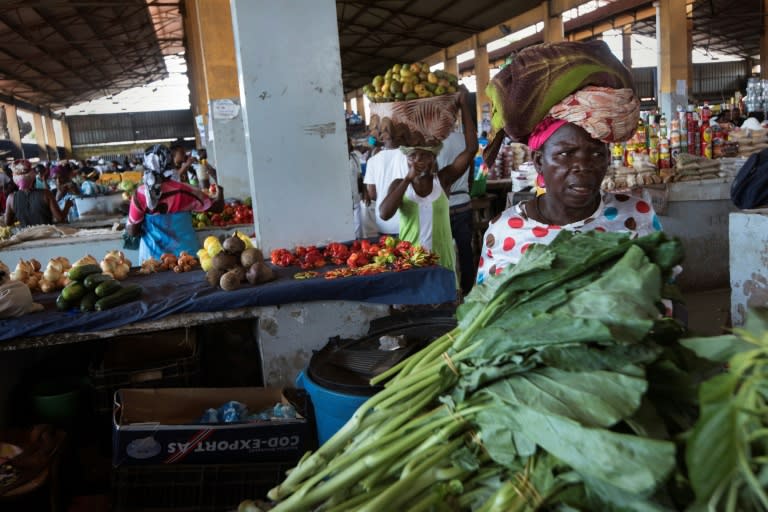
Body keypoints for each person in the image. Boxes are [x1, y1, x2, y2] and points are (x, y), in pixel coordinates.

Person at [477, 40, 662, 285]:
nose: (583, 166)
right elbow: (485, 312)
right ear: (539, 161)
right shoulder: (504, 231)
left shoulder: (637, 215)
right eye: (566, 154)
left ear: (608, 158)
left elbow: (670, 296)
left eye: (596, 154)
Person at [379, 88, 478, 276]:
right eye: (413, 156)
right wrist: (408, 179)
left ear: (433, 159)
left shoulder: (443, 180)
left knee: (445, 305)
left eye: (425, 156)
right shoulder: (398, 184)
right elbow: (384, 213)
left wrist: (464, 105)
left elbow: (471, 149)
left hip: (443, 263)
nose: (418, 160)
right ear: (406, 159)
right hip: (410, 264)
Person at [125, 144, 224, 263]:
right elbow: (218, 208)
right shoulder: (185, 191)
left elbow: (132, 232)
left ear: (146, 165)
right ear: (170, 163)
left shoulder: (140, 195)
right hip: (186, 258)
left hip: (153, 261)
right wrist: (219, 186)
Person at [438, 128, 476, 295]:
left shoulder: (432, 142)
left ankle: (448, 292)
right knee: (466, 252)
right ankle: (468, 292)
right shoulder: (464, 140)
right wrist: (467, 190)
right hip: (463, 202)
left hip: (441, 206)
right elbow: (471, 173)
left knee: (443, 254)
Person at [363, 121, 407, 236]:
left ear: (381, 138)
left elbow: (372, 194)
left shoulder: (372, 161)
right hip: (407, 220)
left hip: (384, 222)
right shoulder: (409, 157)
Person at [4, 159, 73, 227]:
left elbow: (8, 222)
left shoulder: (11, 198)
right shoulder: (46, 194)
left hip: (26, 236)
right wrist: (67, 206)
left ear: (15, 179)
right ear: (33, 177)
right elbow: (60, 218)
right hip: (48, 234)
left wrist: (20, 213)